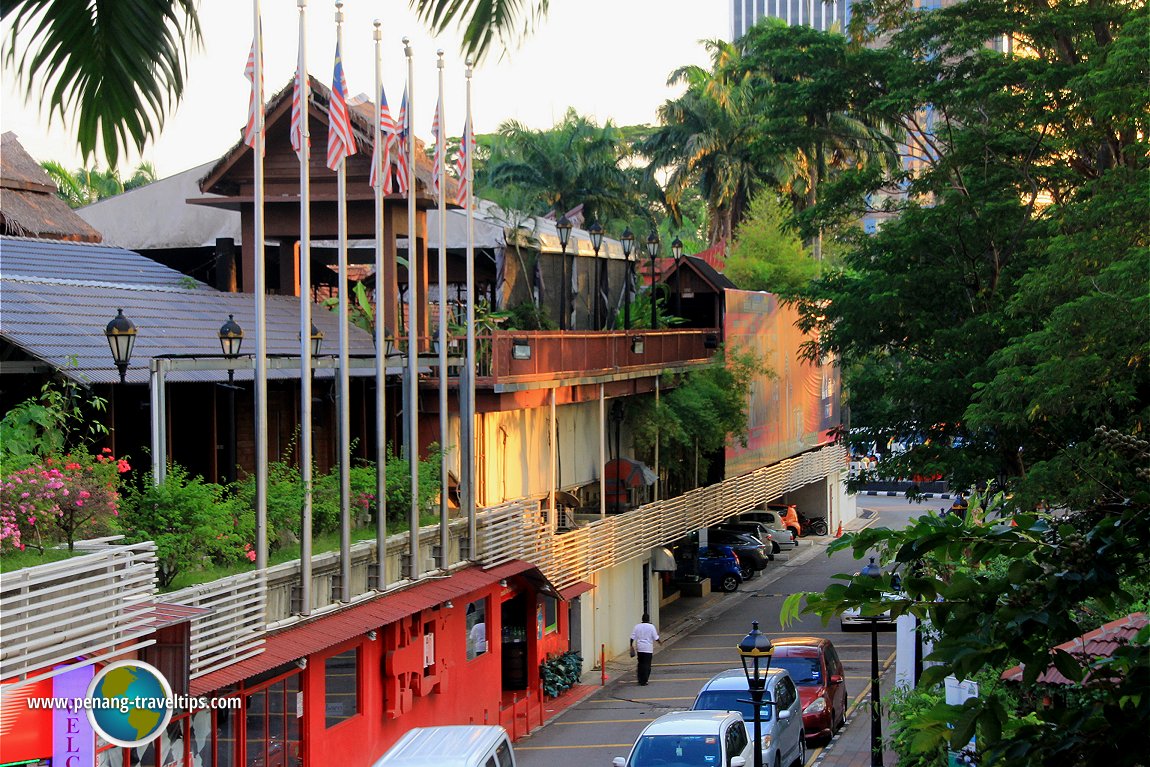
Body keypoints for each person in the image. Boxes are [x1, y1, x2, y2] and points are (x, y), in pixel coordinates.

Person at [630, 613, 661, 686]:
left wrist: (631, 645)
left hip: (640, 648)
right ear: (648, 619)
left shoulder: (637, 626)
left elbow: (632, 637)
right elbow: (656, 637)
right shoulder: (651, 627)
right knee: (647, 665)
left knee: (640, 664)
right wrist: (660, 642)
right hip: (648, 648)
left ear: (642, 619)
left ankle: (640, 679)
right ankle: (645, 680)